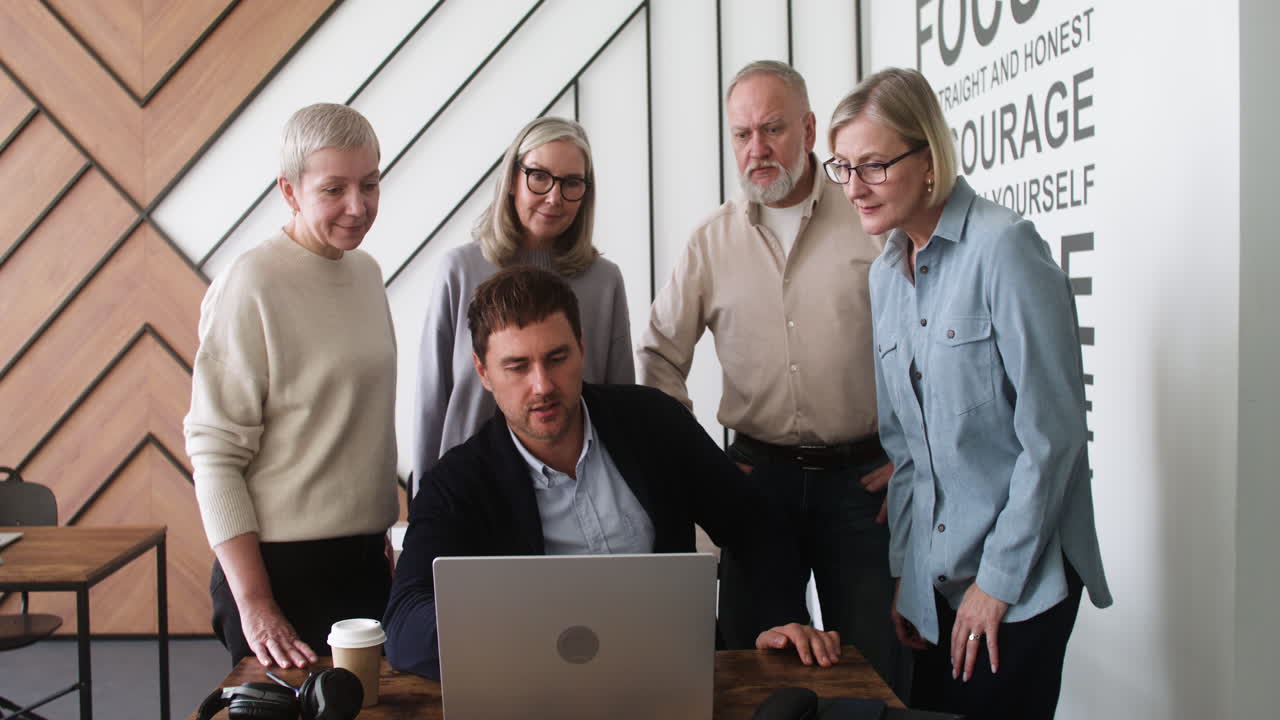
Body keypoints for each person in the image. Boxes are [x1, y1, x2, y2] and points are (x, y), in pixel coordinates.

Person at [384, 266, 839, 680]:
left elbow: (753, 523)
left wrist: (779, 617)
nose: (542, 385)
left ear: (582, 349)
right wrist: (513, 636)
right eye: (517, 366)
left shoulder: (653, 423)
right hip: (538, 693)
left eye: (557, 358)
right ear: (483, 373)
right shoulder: (457, 483)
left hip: (675, 678)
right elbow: (405, 621)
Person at [825, 67, 1112, 719]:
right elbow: (905, 453)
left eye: (871, 165)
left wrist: (997, 585)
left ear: (927, 158)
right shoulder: (883, 278)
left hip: (1023, 579)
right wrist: (909, 574)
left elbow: (1054, 438)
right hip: (940, 582)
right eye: (841, 167)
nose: (853, 188)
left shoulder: (1005, 248)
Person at [637, 60, 902, 689]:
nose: (756, 149)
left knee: (871, 674)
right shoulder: (711, 241)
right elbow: (656, 358)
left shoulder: (868, 218)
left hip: (862, 487)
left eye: (773, 129)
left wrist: (914, 454)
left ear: (809, 129)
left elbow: (922, 345)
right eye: (741, 134)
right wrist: (701, 468)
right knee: (759, 674)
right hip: (756, 485)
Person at [185, 103, 400, 669]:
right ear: (289, 190)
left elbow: (354, 421)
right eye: (334, 189)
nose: (358, 207)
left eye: (370, 184)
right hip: (279, 570)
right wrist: (254, 602)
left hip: (363, 564)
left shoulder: (367, 273)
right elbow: (214, 455)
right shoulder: (251, 281)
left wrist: (377, 535)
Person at [411, 116, 634, 495]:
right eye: (539, 176)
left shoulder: (604, 280)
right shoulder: (460, 269)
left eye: (571, 183)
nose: (554, 197)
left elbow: (621, 402)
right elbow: (432, 397)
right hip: (471, 490)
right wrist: (424, 496)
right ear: (513, 180)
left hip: (575, 490)